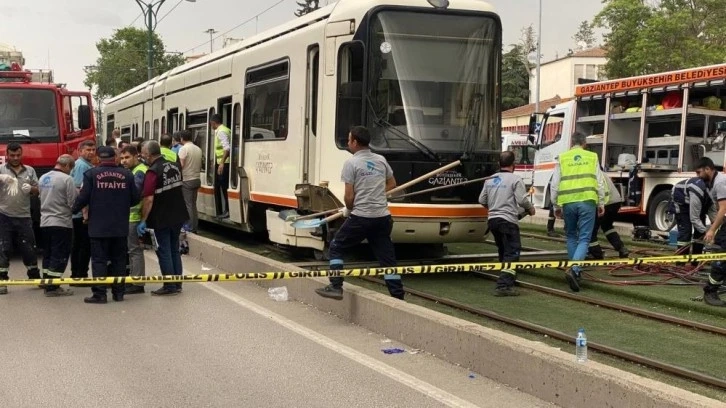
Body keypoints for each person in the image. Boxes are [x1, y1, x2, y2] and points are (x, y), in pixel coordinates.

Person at [315, 126, 404, 300]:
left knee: (336, 246)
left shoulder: (351, 163)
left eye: (349, 140)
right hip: (382, 218)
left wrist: (348, 209)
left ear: (355, 142)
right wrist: (376, 193)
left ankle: (335, 286)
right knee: (387, 258)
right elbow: (392, 184)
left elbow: (349, 196)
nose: (348, 143)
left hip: (362, 217)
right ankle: (398, 296)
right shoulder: (381, 160)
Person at [72, 146, 139, 304]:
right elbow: (135, 199)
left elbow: (84, 197)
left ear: (98, 158)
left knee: (99, 260)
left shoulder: (91, 174)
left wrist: (73, 210)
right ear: (115, 158)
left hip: (98, 226)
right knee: (119, 260)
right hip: (120, 225)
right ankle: (119, 293)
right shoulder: (127, 175)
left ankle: (100, 294)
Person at [550, 132, 605, 292]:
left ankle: (576, 271)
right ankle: (574, 270)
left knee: (571, 235)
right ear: (584, 143)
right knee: (585, 238)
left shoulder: (563, 158)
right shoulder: (592, 157)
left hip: (568, 202)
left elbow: (554, 184)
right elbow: (599, 181)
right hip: (587, 201)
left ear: (571, 143)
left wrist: (555, 206)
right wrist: (601, 202)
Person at [479, 151, 535, 296]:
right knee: (512, 251)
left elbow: (482, 200)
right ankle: (503, 285)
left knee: (503, 250)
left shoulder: (490, 179)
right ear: (513, 165)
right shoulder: (515, 180)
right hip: (508, 221)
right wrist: (530, 208)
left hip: (493, 221)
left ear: (499, 164)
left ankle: (508, 276)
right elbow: (522, 200)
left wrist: (493, 208)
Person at [138, 141, 189, 296]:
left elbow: (148, 198)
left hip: (161, 217)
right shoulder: (174, 165)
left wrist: (143, 220)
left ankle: (169, 286)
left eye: (143, 153)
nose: (142, 156)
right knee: (174, 249)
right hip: (178, 214)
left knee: (163, 250)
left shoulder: (153, 171)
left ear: (148, 154)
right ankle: (177, 283)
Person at [0, 142, 41, 294]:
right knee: (4, 248)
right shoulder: (1, 169)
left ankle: (34, 277)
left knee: (29, 248)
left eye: (18, 155)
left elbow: (38, 190)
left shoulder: (29, 170)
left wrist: (32, 189)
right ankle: (1, 280)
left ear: (21, 154)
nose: (15, 158)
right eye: (12, 155)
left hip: (24, 216)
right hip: (4, 215)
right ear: (7, 155)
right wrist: (1, 178)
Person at [38, 155, 77, 297]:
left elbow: (40, 198)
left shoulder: (43, 178)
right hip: (61, 222)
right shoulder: (67, 179)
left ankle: (46, 280)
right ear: (67, 166)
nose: (71, 171)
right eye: (71, 168)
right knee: (59, 253)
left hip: (45, 222)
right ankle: (53, 287)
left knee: (47, 253)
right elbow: (72, 203)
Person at [696, 157, 726, 306]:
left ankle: (711, 289)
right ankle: (712, 289)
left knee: (722, 256)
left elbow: (723, 209)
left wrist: (712, 230)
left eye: (699, 172)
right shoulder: (713, 183)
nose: (697, 175)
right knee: (722, 253)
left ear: (708, 169)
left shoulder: (720, 182)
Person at [119, 146, 147, 294]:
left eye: (127, 157)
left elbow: (135, 194)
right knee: (131, 250)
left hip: (133, 217)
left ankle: (137, 283)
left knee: (134, 250)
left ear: (136, 156)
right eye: (122, 158)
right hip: (129, 216)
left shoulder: (139, 172)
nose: (124, 161)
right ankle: (134, 280)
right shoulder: (133, 171)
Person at [588, 170, 630, 259]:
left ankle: (596, 254)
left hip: (604, 203)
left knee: (591, 231)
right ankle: (621, 248)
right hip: (615, 202)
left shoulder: (590, 174)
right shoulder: (602, 173)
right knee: (607, 226)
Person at [70, 140, 96, 281]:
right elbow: (80, 191)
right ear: (80, 151)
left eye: (93, 149)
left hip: (80, 212)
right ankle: (79, 274)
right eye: (88, 150)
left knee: (81, 245)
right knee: (82, 245)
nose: (91, 152)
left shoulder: (87, 165)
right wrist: (85, 214)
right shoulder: (82, 166)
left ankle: (78, 273)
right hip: (81, 214)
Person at [670, 175, 713, 256]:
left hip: (695, 201)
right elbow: (694, 218)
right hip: (681, 203)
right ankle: (680, 263)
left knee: (700, 233)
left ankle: (695, 262)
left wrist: (714, 227)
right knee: (686, 232)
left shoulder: (714, 194)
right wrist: (707, 232)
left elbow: (713, 212)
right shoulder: (698, 192)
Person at [178, 129, 203, 233]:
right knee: (193, 204)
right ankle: (194, 227)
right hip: (197, 179)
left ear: (182, 138)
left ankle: (190, 227)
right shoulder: (198, 149)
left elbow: (181, 165)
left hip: (187, 179)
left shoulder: (184, 149)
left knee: (188, 204)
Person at [210, 114, 231, 218]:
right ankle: (225, 210)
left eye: (211, 124)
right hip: (223, 162)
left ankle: (227, 210)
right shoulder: (225, 129)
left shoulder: (221, 131)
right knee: (222, 186)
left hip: (225, 163)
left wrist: (221, 163)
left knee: (224, 187)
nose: (211, 126)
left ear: (214, 122)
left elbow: (227, 148)